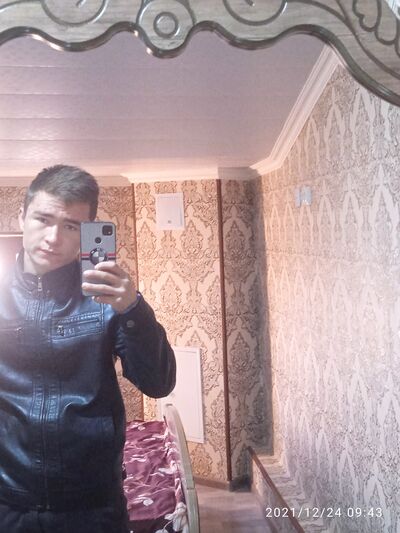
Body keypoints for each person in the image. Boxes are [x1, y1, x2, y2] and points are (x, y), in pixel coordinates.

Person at [0, 165, 176, 533]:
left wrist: (133, 309)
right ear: (22, 216)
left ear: (88, 232)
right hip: (9, 501)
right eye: (43, 219)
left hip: (93, 505)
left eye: (71, 226)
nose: (53, 238)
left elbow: (158, 383)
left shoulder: (105, 298)